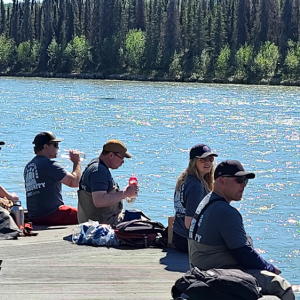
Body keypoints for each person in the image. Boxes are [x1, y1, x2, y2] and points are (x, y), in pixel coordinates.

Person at [188, 160, 295, 300]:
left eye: (245, 180)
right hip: (218, 272)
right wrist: (271, 268)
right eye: (239, 180)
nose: (243, 185)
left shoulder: (207, 200)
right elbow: (243, 254)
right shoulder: (226, 212)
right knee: (282, 286)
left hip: (199, 268)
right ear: (221, 181)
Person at [24, 131, 81, 226]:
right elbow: (74, 182)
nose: (58, 148)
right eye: (55, 145)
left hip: (34, 217)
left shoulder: (29, 166)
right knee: (89, 215)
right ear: (46, 147)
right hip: (52, 214)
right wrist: (77, 162)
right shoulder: (49, 164)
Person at [77, 139, 139, 226]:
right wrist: (125, 193)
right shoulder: (99, 171)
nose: (123, 162)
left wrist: (126, 193)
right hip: (101, 225)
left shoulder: (95, 166)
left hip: (94, 222)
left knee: (137, 215)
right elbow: (99, 201)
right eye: (121, 158)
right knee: (142, 222)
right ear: (111, 155)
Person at [173, 143, 218, 253]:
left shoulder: (185, 178)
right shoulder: (196, 187)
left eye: (210, 159)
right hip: (188, 241)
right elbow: (189, 223)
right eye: (202, 159)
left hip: (178, 236)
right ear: (194, 161)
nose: (208, 162)